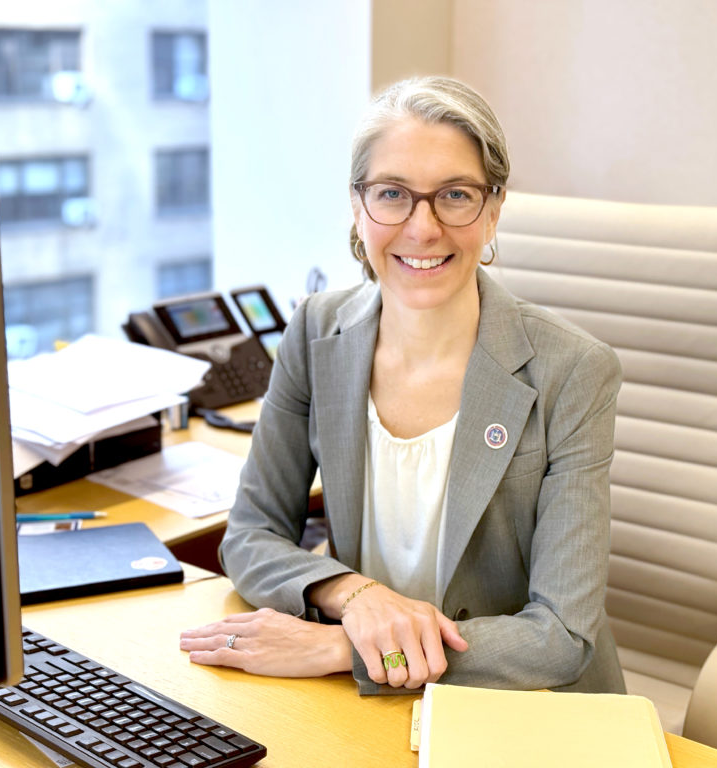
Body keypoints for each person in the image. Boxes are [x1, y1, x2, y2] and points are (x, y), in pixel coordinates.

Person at [179, 76, 624, 695]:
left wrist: (343, 647)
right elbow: (250, 534)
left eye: (456, 196)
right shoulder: (314, 331)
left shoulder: (572, 371)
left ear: (493, 210)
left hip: (522, 707)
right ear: (359, 209)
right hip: (373, 717)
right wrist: (356, 596)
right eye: (392, 194)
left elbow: (561, 638)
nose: (422, 228)